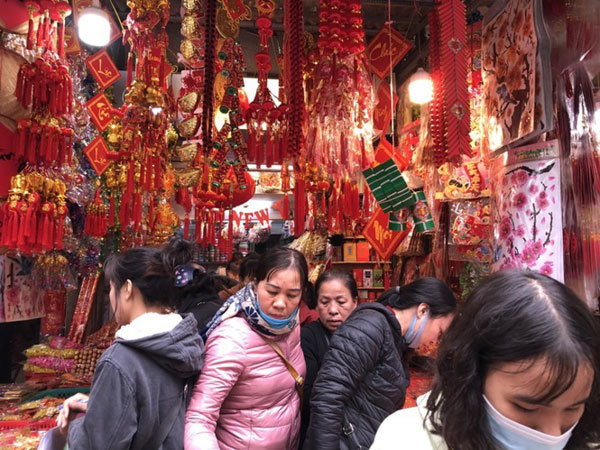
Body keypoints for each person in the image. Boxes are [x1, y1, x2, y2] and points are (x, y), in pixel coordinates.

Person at [371, 270, 600, 450]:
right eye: (526, 408)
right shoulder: (405, 440)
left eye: (573, 409)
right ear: (471, 375)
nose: (552, 437)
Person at [56, 242, 205, 449]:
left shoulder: (120, 360)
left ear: (126, 289)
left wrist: (74, 424)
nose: (110, 295)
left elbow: (98, 445)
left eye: (110, 288)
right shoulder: (188, 343)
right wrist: (97, 406)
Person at [304, 277, 456, 449]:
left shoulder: (394, 336)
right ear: (422, 310)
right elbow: (328, 396)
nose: (435, 340)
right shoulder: (370, 327)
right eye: (440, 331)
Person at [184, 247, 308, 450]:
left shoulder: (291, 326)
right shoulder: (232, 338)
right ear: (255, 284)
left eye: (292, 295)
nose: (280, 303)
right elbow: (200, 418)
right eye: (272, 291)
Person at [299, 270, 359, 448]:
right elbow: (310, 396)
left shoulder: (365, 334)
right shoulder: (308, 336)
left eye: (341, 302)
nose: (333, 310)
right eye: (324, 302)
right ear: (316, 304)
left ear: (355, 302)